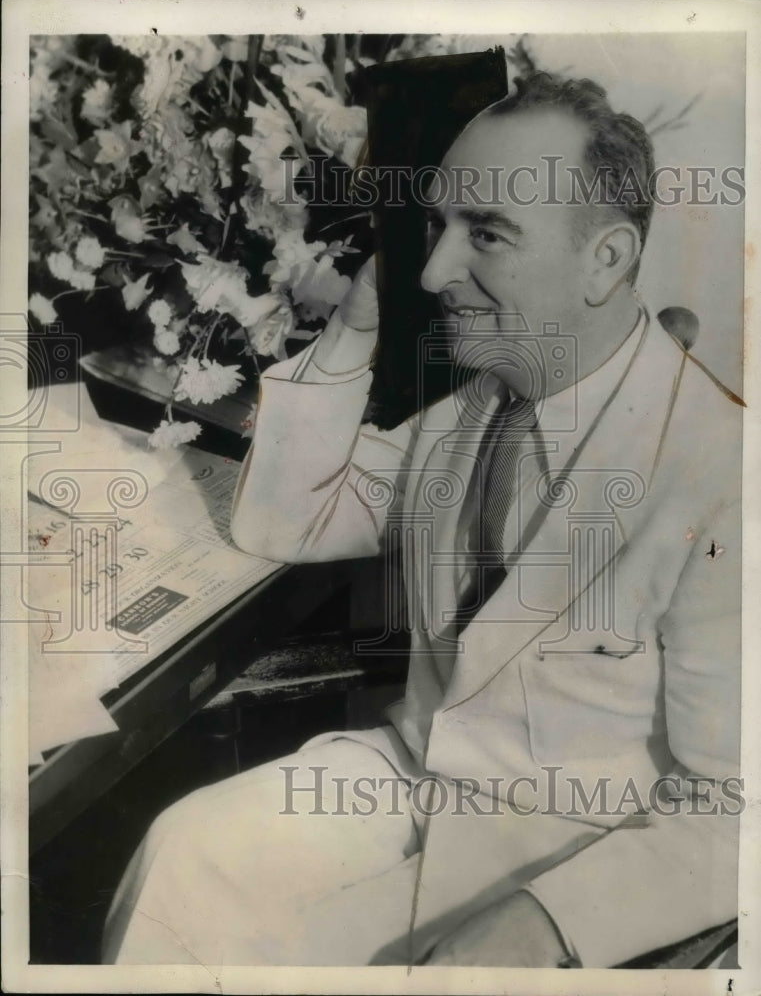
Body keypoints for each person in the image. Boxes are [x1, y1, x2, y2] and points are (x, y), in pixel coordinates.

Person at [102, 72, 742, 968]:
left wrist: (551, 922)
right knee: (186, 854)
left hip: (574, 854)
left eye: (486, 232)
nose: (435, 270)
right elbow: (283, 524)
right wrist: (355, 324)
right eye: (436, 225)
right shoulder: (476, 404)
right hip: (416, 782)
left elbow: (734, 808)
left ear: (605, 258)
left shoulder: (723, 472)